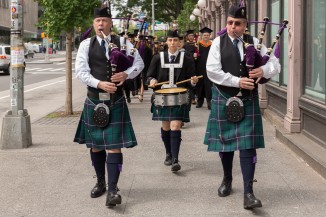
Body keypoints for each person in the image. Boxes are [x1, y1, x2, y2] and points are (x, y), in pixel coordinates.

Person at [204, 3, 281, 209]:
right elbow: (212, 71)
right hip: (224, 97)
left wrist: (263, 71)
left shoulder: (255, 42)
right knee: (225, 144)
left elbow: (276, 64)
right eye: (230, 23)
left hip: (247, 100)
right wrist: (237, 81)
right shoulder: (217, 43)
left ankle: (248, 192)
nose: (232, 27)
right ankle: (227, 179)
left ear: (245, 25)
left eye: (237, 23)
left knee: (248, 146)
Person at [73, 6, 144, 208]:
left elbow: (138, 64)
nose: (101, 24)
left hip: (116, 101)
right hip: (95, 99)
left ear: (111, 23)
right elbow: (81, 71)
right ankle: (100, 182)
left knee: (114, 146)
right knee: (96, 145)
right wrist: (99, 83)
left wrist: (126, 75)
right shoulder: (87, 44)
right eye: (98, 21)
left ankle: (113, 189)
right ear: (94, 24)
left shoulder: (123, 43)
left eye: (104, 20)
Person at [146, 30, 198, 172]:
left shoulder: (186, 58)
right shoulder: (158, 58)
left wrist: (193, 81)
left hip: (179, 97)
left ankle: (175, 159)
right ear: (166, 42)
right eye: (170, 40)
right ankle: (168, 153)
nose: (173, 43)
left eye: (175, 40)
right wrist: (152, 80)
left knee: (175, 126)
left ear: (180, 42)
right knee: (166, 127)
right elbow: (148, 76)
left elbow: (192, 79)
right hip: (162, 97)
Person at [195, 27, 213, 110]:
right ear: (202, 36)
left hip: (209, 68)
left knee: (209, 85)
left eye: (207, 35)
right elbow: (194, 56)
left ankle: (209, 102)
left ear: (210, 36)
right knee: (200, 85)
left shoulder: (212, 45)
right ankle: (199, 101)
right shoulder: (198, 45)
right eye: (204, 35)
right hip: (200, 68)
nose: (206, 36)